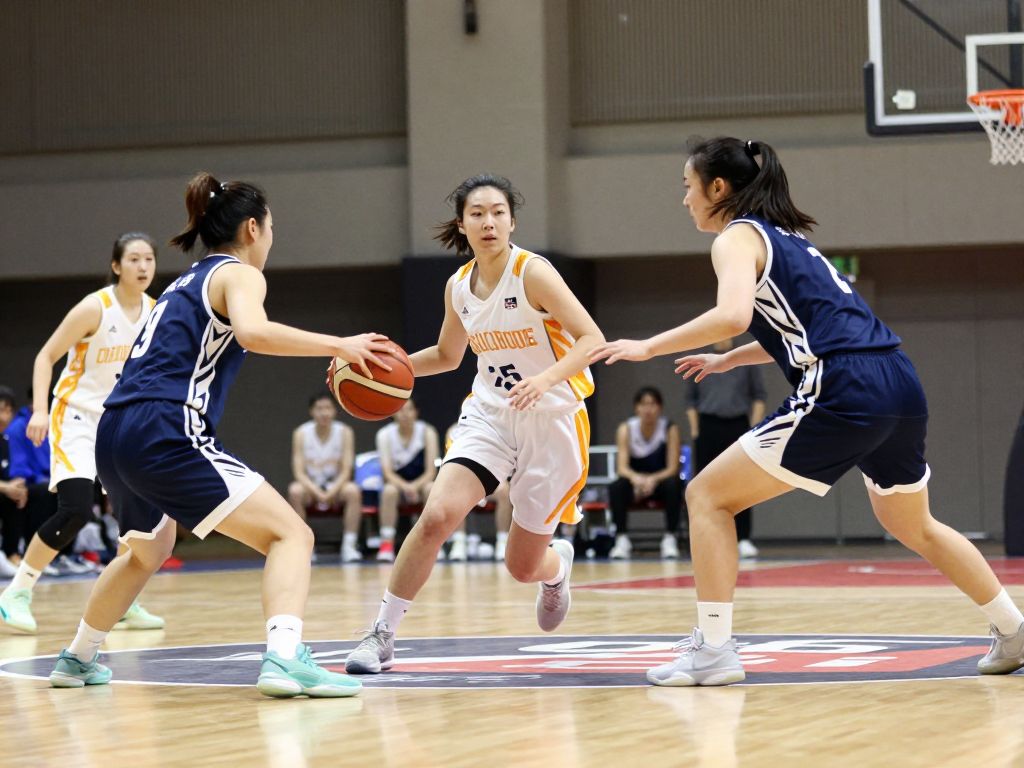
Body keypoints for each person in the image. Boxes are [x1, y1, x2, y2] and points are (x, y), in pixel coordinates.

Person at [591, 136, 1024, 686]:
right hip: (898, 380)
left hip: (845, 387)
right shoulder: (790, 240)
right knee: (913, 523)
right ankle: (1013, 628)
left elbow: (731, 315)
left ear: (717, 187)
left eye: (687, 187)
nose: (684, 200)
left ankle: (714, 651)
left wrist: (647, 346)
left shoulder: (735, 238)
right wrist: (730, 362)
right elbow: (808, 325)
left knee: (705, 496)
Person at [46, 172, 391, 697]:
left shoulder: (182, 283)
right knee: (290, 535)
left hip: (114, 431)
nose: (272, 238)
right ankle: (283, 659)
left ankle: (77, 657)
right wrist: (338, 344)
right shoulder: (240, 275)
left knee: (145, 551)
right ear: (252, 228)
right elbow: (254, 332)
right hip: (165, 426)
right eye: (272, 227)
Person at [345, 174, 603, 674]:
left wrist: (545, 378)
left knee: (521, 566)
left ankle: (556, 568)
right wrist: (381, 366)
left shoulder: (534, 273)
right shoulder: (459, 285)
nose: (489, 222)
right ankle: (381, 634)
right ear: (462, 224)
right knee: (438, 515)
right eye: (478, 213)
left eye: (498, 212)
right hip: (489, 415)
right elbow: (446, 355)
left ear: (512, 221)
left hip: (552, 421)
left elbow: (592, 339)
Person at [0, 234, 167, 634]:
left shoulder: (154, 311)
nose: (143, 267)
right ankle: (16, 593)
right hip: (74, 415)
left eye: (149, 259)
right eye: (134, 259)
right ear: (116, 266)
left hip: (119, 421)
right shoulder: (95, 307)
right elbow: (46, 356)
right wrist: (40, 410)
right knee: (75, 509)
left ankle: (125, 600)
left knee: (136, 515)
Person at [684, 337, 766, 559]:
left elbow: (759, 396)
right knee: (703, 485)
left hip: (738, 424)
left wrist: (753, 428)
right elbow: (691, 400)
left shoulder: (744, 359)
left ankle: (744, 538)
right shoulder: (702, 360)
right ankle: (706, 539)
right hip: (708, 425)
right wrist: (696, 430)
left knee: (743, 484)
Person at [607, 386, 683, 561]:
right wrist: (637, 479)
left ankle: (670, 538)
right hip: (635, 482)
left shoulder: (669, 428)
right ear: (637, 408)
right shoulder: (626, 428)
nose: (648, 409)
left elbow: (673, 468)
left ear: (660, 407)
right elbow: (622, 468)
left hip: (660, 481)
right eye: (644, 404)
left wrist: (652, 480)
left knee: (674, 485)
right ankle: (621, 539)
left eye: (653, 404)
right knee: (616, 487)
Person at [286, 392, 361, 562]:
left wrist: (331, 491)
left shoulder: (344, 432)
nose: (324, 413)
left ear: (335, 411)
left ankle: (349, 545)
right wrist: (318, 493)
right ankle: (304, 546)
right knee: (295, 490)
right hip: (311, 487)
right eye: (319, 408)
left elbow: (347, 469)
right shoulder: (301, 433)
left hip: (336, 486)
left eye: (328, 408)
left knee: (353, 490)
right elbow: (298, 472)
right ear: (312, 411)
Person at [373, 399, 438, 562]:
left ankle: (435, 544)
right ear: (394, 412)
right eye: (400, 410)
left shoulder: (427, 432)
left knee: (431, 488)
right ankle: (386, 544)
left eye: (409, 410)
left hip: (421, 482)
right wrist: (406, 487)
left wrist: (415, 486)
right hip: (397, 484)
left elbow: (431, 471)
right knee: (389, 491)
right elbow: (387, 472)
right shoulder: (384, 434)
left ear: (416, 412)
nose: (405, 414)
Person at [443, 421, 514, 561]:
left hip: (492, 479)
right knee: (456, 489)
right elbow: (452, 462)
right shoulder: (454, 430)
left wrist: (486, 486)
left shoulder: (497, 427)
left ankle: (503, 541)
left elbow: (503, 462)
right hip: (465, 480)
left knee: (504, 489)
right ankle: (459, 541)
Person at [0, 386, 28, 577]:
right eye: (2, 409)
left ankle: (12, 553)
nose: (6, 416)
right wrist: (5, 487)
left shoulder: (6, 439)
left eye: (10, 410)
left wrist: (19, 487)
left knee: (23, 495)